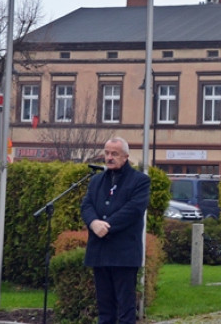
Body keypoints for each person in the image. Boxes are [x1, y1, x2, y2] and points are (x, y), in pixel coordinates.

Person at [81, 137, 151, 324]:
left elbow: (134, 209)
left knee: (125, 310)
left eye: (114, 154)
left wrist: (107, 226)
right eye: (107, 153)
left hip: (124, 255)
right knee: (105, 308)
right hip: (100, 251)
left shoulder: (140, 181)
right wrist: (94, 222)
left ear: (126, 156)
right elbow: (86, 205)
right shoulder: (96, 181)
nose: (109, 157)